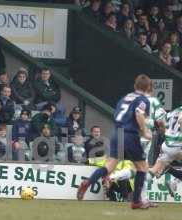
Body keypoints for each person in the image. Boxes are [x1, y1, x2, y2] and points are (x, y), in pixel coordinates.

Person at [77, 74, 154, 209]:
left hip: (117, 132)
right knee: (142, 168)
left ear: (135, 86)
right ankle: (136, 201)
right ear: (148, 87)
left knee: (110, 166)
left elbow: (117, 114)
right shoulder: (143, 100)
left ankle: (88, 182)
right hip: (130, 134)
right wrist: (145, 131)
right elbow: (139, 113)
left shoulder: (124, 98)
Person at [146, 106, 182, 198]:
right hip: (179, 145)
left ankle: (139, 194)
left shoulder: (172, 112)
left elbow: (159, 123)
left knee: (153, 171)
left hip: (167, 145)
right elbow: (181, 120)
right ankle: (173, 180)